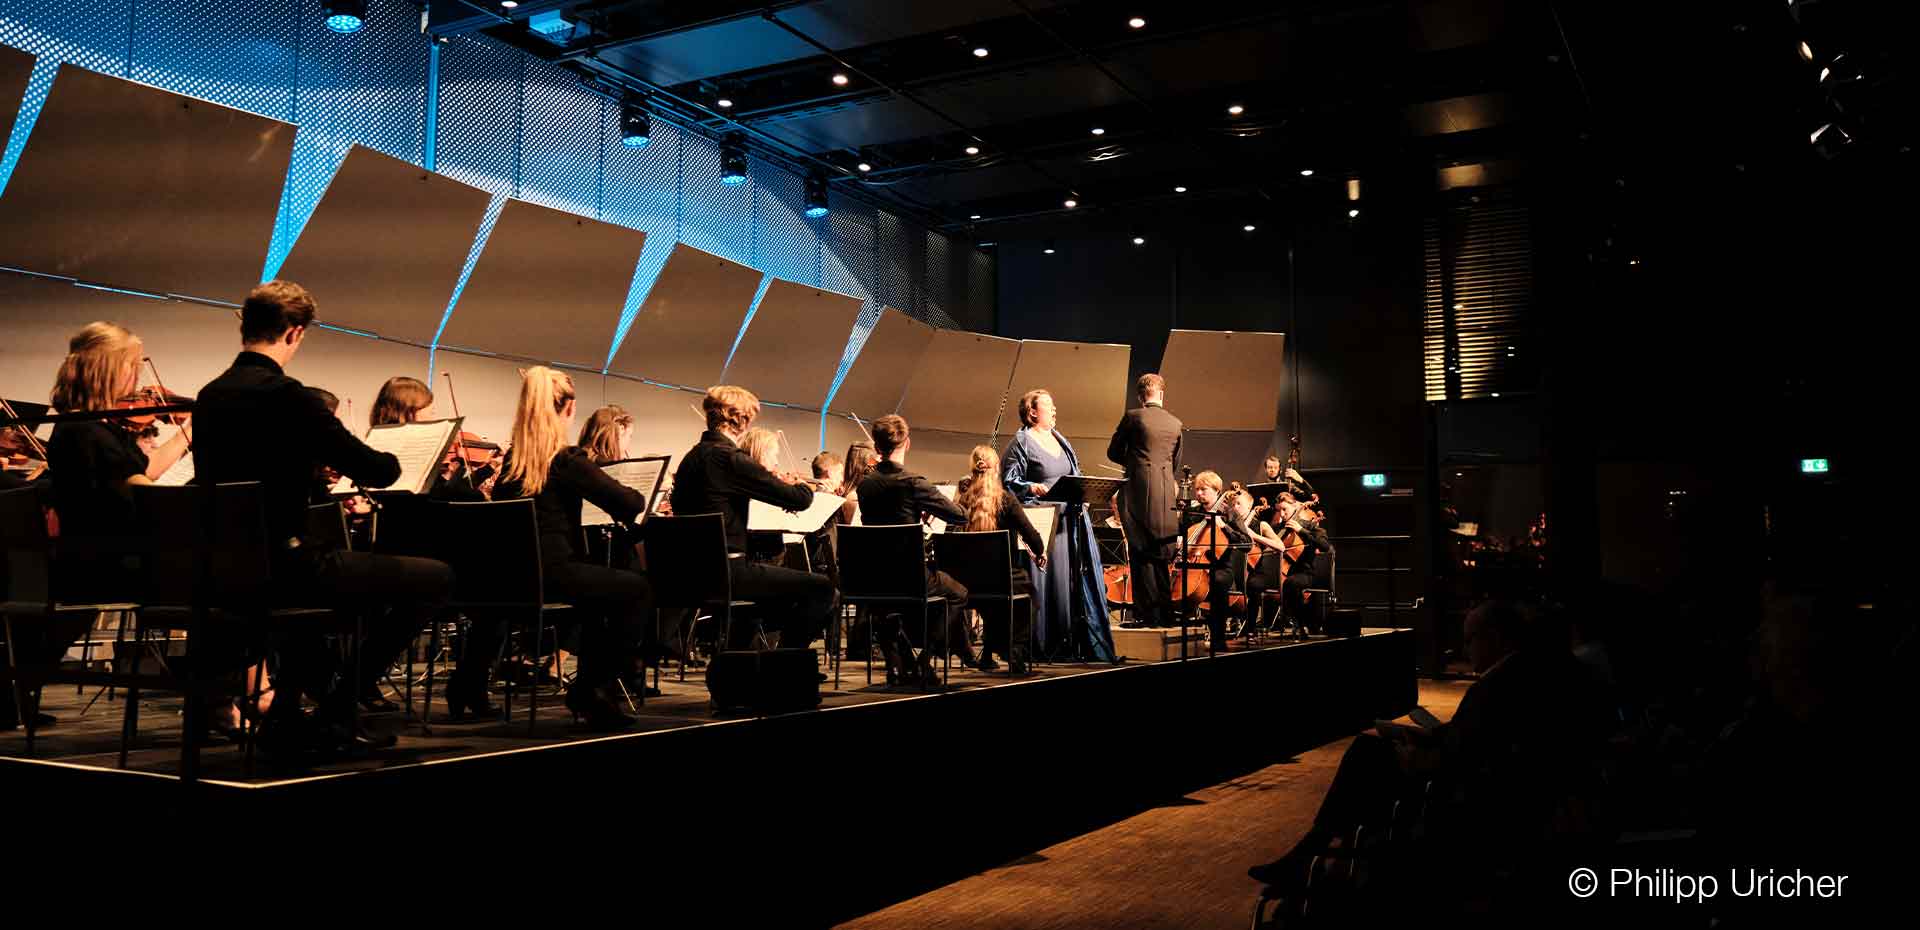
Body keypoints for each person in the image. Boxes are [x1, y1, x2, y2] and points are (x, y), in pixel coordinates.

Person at [192, 280, 454, 756]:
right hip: (288, 566)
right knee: (436, 578)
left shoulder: (210, 396)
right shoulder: (288, 395)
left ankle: (290, 717)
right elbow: (375, 468)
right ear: (294, 332)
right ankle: (336, 710)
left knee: (334, 588)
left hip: (228, 570)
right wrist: (395, 460)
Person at [1246, 601, 1612, 889]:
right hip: (1471, 775)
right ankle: (1322, 850)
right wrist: (1434, 737)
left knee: (1365, 756)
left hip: (1462, 793)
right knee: (1369, 753)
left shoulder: (1500, 684)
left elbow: (1473, 754)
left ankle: (1320, 854)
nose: (1466, 649)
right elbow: (1478, 736)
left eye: (1471, 639)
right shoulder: (1522, 677)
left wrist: (1419, 760)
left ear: (1497, 637)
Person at [20, 322, 193, 733]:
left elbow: (140, 475)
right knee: (229, 586)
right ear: (108, 370)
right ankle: (223, 698)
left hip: (89, 560)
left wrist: (188, 433)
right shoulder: (89, 433)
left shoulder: (86, 427)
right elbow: (145, 497)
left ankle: (219, 697)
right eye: (131, 366)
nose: (137, 378)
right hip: (108, 564)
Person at [489, 368, 658, 731]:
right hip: (552, 573)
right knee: (637, 589)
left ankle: (589, 692)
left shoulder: (510, 462)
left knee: (600, 598)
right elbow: (628, 502)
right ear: (568, 409)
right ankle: (594, 689)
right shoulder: (565, 460)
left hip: (509, 578)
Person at [670, 386, 835, 657]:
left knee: (771, 601)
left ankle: (743, 665)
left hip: (690, 573)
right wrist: (805, 486)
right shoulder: (729, 459)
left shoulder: (691, 458)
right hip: (728, 572)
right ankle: (783, 663)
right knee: (822, 589)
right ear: (741, 420)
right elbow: (798, 500)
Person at [856, 415, 976, 685]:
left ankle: (897, 666)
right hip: (909, 576)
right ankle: (925, 659)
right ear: (907, 443)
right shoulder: (913, 482)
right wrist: (925, 507)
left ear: (877, 447)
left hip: (874, 577)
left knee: (886, 604)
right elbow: (959, 515)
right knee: (958, 594)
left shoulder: (865, 485)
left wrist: (913, 510)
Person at [1002, 388, 1115, 662]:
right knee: (1048, 583)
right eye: (1048, 406)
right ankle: (1041, 645)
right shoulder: (1022, 442)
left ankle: (1072, 643)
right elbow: (1008, 482)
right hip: (1042, 523)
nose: (1054, 411)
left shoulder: (1059, 439)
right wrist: (1031, 487)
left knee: (1070, 584)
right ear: (1032, 412)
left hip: (1070, 523)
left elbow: (1074, 474)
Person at [958, 445, 1045, 674]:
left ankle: (988, 653)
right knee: (1029, 595)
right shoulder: (1006, 501)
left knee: (992, 602)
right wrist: (1039, 551)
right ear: (996, 469)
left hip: (965, 584)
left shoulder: (961, 502)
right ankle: (1014, 648)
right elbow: (1035, 541)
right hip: (1001, 579)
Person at [1107, 373, 1182, 628]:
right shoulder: (1175, 423)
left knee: (1140, 552)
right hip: (1165, 495)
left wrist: (1135, 464)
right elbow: (1175, 462)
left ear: (1140, 396)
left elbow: (1113, 451)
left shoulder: (1133, 417)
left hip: (1138, 492)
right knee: (1162, 554)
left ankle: (1147, 615)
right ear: (1162, 394)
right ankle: (1166, 614)